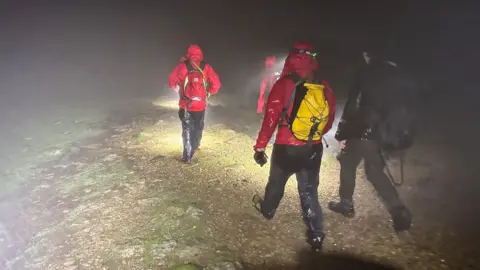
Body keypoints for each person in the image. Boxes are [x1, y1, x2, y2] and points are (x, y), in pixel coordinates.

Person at [252, 42, 336, 250]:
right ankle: (316, 234)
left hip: (286, 147)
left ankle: (268, 211)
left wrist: (260, 146)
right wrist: (313, 135)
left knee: (276, 183)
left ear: (291, 58)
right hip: (312, 147)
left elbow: (270, 117)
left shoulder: (284, 83)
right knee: (309, 191)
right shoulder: (323, 84)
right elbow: (329, 118)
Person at [328, 50, 418, 232]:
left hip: (363, 129)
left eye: (366, 55)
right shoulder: (397, 77)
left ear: (372, 56)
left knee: (347, 161)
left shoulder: (368, 74)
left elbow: (354, 103)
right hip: (382, 134)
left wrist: (342, 132)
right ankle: (399, 211)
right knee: (374, 170)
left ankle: (346, 203)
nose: (364, 58)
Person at [168, 44, 221, 163]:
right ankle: (195, 146)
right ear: (200, 54)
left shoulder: (183, 66)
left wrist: (176, 88)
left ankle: (187, 155)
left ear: (188, 54)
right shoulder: (206, 67)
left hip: (186, 104)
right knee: (198, 126)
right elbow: (216, 84)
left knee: (187, 129)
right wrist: (208, 92)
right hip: (200, 105)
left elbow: (171, 80)